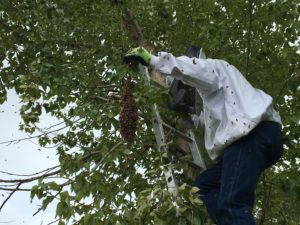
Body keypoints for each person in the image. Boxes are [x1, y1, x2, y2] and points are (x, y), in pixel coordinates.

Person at [123, 46, 284, 225]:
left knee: (232, 203)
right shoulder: (214, 99)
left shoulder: (212, 67)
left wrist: (152, 60)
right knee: (205, 185)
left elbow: (190, 69)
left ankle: (235, 218)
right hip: (262, 138)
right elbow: (203, 120)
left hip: (250, 137)